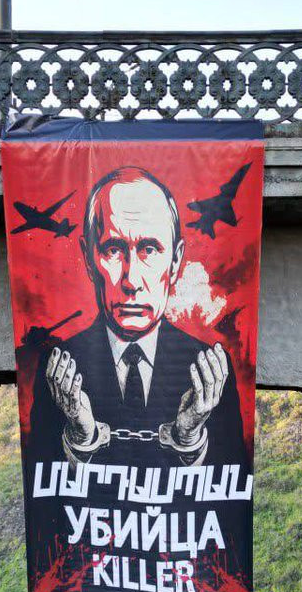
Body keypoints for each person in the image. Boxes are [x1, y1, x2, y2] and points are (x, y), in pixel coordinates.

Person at [25, 166, 246, 469]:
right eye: (113, 250)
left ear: (176, 260)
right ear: (89, 258)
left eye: (149, 249)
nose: (131, 280)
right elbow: (42, 479)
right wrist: (80, 438)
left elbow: (231, 481)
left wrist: (189, 437)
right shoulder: (59, 367)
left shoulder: (210, 370)